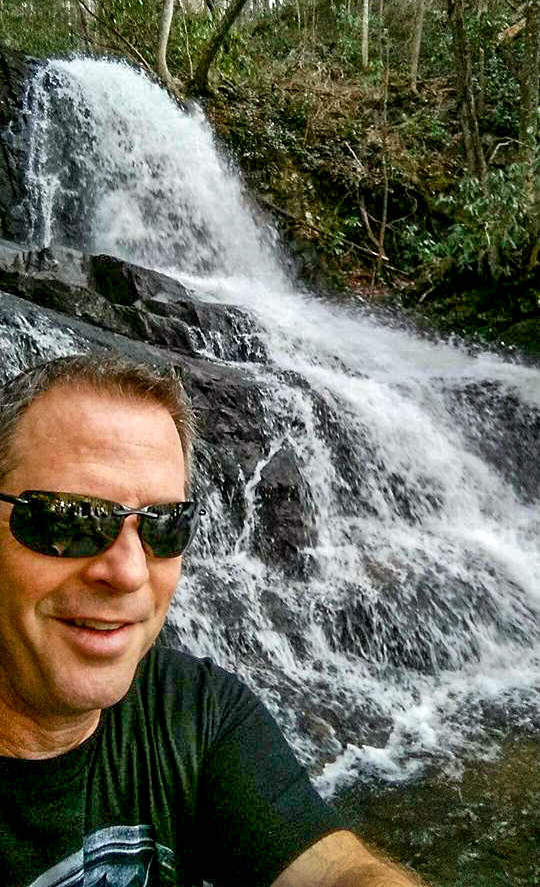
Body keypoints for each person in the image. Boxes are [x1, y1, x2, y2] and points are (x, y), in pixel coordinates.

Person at [0, 353, 425, 887]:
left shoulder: (195, 710)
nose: (129, 572)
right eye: (71, 519)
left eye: (165, 525)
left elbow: (339, 872)